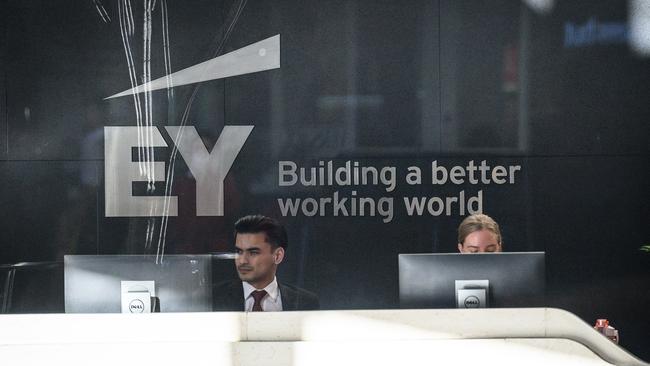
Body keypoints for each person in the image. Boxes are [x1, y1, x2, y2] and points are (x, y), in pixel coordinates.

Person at [213, 214, 320, 311]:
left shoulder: (305, 302)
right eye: (239, 251)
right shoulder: (211, 298)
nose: (242, 260)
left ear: (278, 256)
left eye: (253, 252)